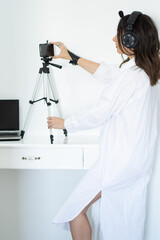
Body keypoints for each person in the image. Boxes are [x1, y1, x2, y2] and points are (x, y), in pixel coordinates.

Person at [47, 11, 160, 240]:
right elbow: (108, 73)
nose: (113, 39)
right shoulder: (144, 72)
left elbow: (102, 111)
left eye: (118, 35)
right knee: (118, 222)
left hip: (118, 165)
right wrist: (73, 57)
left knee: (74, 210)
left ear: (131, 40)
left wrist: (66, 123)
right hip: (130, 163)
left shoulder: (133, 77)